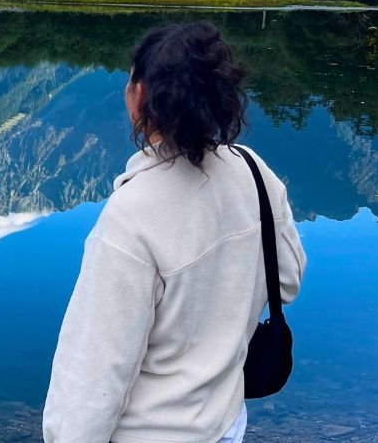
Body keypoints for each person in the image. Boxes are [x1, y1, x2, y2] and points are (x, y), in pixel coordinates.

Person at [43, 22, 306, 443]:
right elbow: (287, 283)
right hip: (224, 424)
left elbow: (93, 376)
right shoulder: (255, 173)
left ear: (140, 97)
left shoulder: (131, 216)